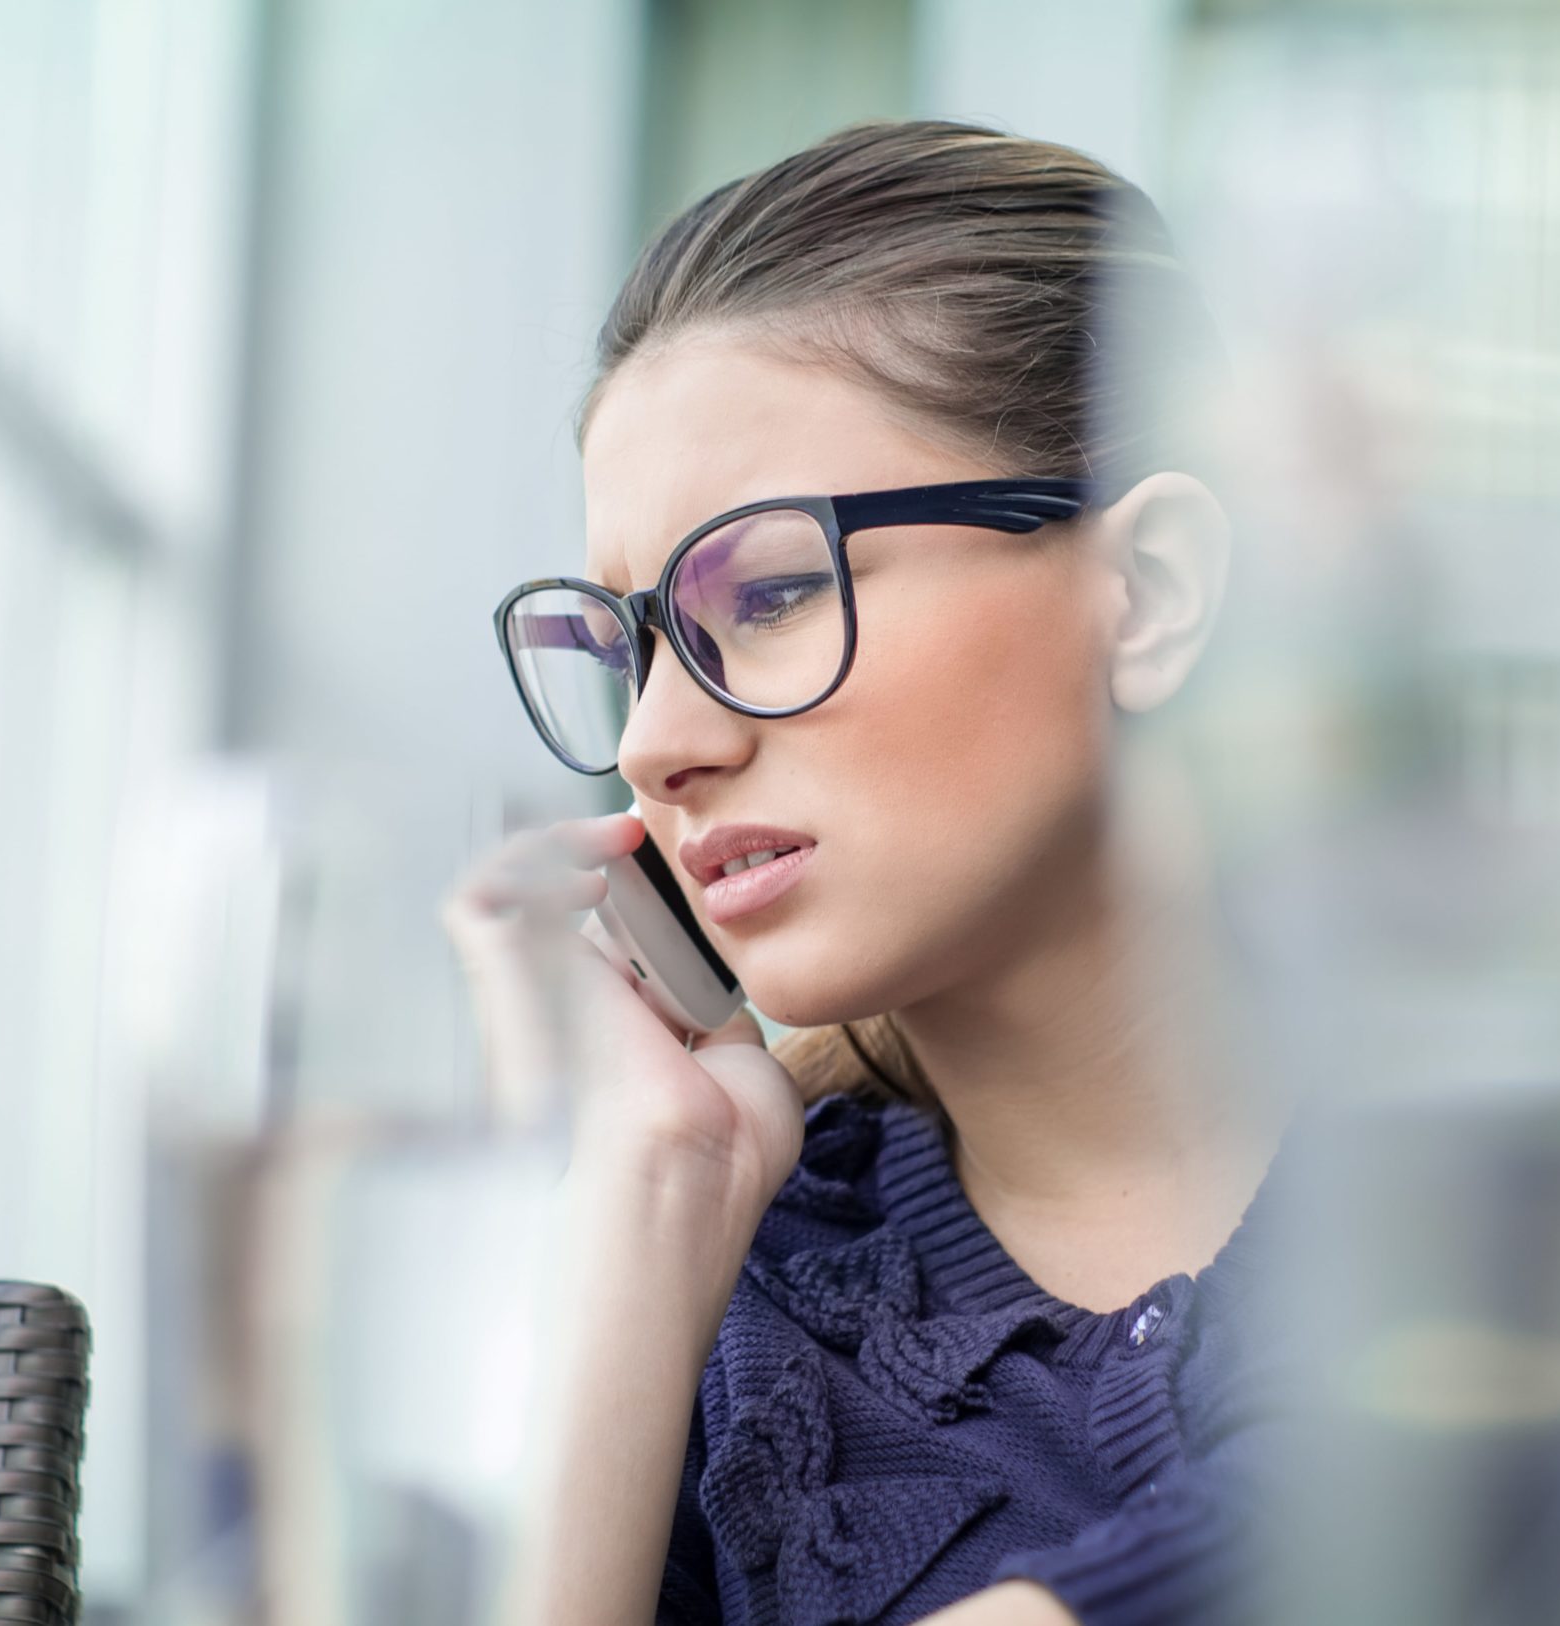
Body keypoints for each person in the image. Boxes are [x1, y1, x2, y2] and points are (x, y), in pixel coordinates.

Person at [443, 118, 1294, 1626]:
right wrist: (641, 1209)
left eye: (765, 593)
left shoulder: (1499, 1186)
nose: (653, 741)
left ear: (1148, 594)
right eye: (629, 646)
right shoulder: (727, 1302)